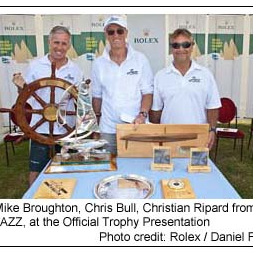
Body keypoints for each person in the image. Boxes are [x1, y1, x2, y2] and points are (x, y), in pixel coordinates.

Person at [12, 26, 84, 185]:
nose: (59, 47)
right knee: (36, 171)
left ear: (69, 46)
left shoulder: (76, 70)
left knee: (69, 170)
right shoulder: (35, 65)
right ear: (49, 42)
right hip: (40, 130)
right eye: (56, 42)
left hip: (67, 129)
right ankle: (34, 203)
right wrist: (19, 84)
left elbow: (80, 101)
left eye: (64, 43)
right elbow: (24, 94)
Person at [91, 15, 154, 154]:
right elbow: (97, 96)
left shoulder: (140, 60)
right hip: (107, 128)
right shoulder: (98, 64)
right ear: (106, 35)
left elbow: (147, 92)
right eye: (111, 32)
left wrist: (142, 115)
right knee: (109, 168)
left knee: (136, 168)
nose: (116, 35)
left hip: (135, 126)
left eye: (119, 31)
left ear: (126, 33)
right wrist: (95, 126)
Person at [150, 28, 221, 150]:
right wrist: (157, 134)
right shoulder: (160, 76)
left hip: (198, 137)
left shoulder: (205, 74)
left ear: (192, 46)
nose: (181, 49)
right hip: (168, 138)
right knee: (167, 169)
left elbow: (213, 106)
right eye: (176, 45)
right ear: (171, 48)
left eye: (186, 44)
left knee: (197, 169)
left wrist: (212, 130)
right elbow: (156, 111)